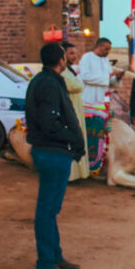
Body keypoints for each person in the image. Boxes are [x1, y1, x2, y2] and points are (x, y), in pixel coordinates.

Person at [25, 42, 86, 269]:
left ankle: (54, 255)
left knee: (50, 209)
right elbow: (50, 122)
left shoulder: (45, 81)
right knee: (47, 209)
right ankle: (46, 262)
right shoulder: (48, 84)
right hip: (52, 152)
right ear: (61, 60)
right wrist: (71, 138)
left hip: (52, 151)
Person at [62, 43, 90, 180]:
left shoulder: (69, 71)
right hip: (71, 111)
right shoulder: (63, 72)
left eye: (75, 53)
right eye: (71, 53)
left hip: (76, 108)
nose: (74, 56)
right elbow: (76, 85)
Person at [78, 37, 125, 105]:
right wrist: (109, 76)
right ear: (99, 46)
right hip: (88, 98)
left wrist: (118, 77)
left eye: (109, 50)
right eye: (106, 49)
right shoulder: (87, 57)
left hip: (103, 99)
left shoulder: (106, 60)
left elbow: (109, 81)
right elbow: (85, 77)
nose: (108, 52)